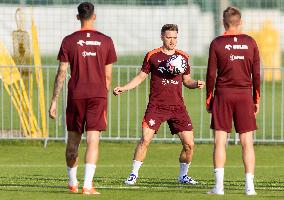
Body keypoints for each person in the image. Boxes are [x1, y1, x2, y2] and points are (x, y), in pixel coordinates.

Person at [113, 24, 205, 185]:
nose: (172, 41)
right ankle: (133, 174)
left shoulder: (183, 57)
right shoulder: (152, 56)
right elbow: (141, 77)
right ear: (162, 37)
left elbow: (187, 81)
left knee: (189, 145)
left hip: (177, 108)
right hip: (156, 107)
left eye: (175, 37)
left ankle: (183, 175)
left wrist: (195, 83)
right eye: (169, 37)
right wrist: (124, 88)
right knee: (145, 140)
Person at [49, 2, 117, 195]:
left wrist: (54, 100)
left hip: (76, 96)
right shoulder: (106, 41)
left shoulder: (69, 41)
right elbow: (108, 77)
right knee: (93, 140)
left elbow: (62, 72)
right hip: (97, 95)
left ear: (78, 17)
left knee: (73, 141)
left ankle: (73, 182)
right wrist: (102, 95)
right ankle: (88, 186)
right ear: (94, 16)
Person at [206, 7, 260, 195]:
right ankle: (249, 188)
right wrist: (256, 99)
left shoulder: (217, 43)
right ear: (240, 21)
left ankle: (219, 187)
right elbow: (257, 74)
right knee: (247, 142)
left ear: (223, 22)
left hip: (223, 94)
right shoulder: (250, 42)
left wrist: (209, 98)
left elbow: (211, 74)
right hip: (245, 95)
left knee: (220, 141)